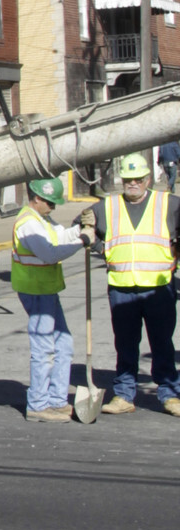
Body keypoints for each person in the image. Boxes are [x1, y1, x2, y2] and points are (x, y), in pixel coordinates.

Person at [87, 152, 180, 416]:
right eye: (128, 179)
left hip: (159, 288)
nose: (133, 184)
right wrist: (98, 245)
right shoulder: (106, 207)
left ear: (148, 178)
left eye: (138, 179)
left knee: (162, 343)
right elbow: (82, 227)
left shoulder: (169, 204)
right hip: (122, 289)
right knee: (125, 344)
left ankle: (170, 394)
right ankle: (124, 395)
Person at [10, 175, 95, 422]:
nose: (54, 207)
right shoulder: (28, 224)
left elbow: (60, 236)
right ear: (37, 198)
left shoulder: (41, 219)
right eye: (50, 202)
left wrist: (82, 229)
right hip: (35, 290)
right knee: (44, 348)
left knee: (64, 344)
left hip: (46, 289)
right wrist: (83, 241)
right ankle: (38, 404)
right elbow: (49, 253)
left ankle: (57, 401)